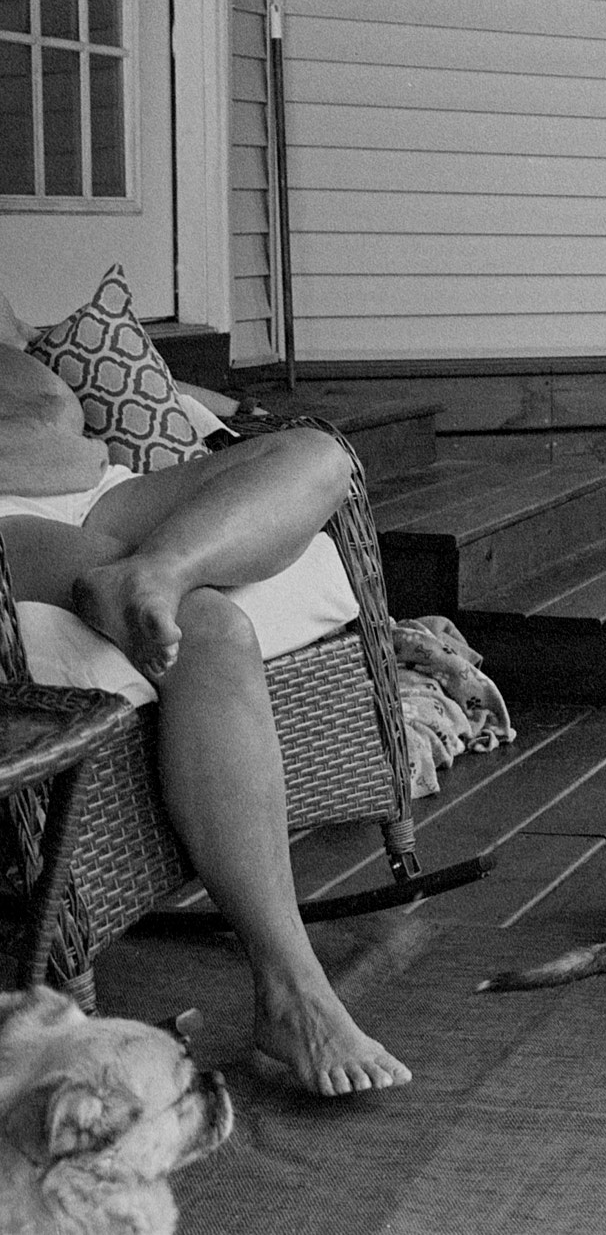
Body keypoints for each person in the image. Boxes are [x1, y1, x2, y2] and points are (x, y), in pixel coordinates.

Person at [0, 295, 411, 1095]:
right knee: (209, 630)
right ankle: (292, 991)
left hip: (105, 491)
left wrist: (212, 406)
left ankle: (157, 570)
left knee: (317, 456)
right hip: (9, 526)